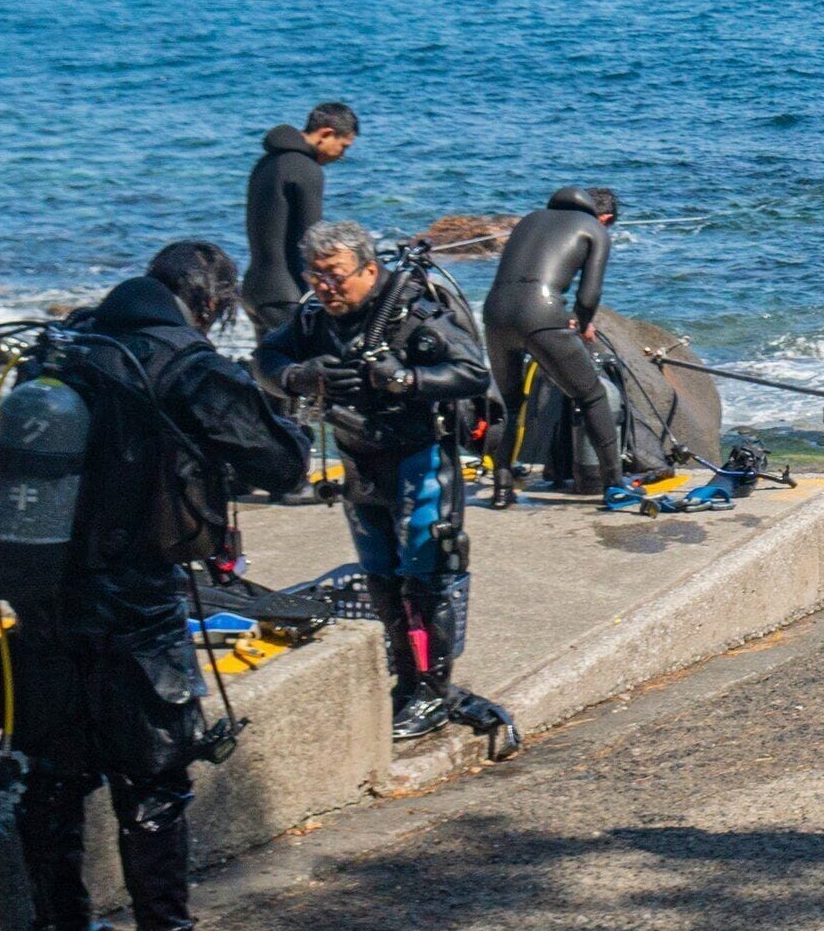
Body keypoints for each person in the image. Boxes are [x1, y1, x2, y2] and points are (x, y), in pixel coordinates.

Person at [14, 239, 308, 931]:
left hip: (39, 586)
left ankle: (59, 925)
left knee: (53, 767)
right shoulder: (183, 363)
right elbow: (281, 462)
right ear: (209, 301)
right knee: (152, 771)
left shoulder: (64, 347)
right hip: (131, 595)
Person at [257, 219, 492, 741]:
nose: (325, 287)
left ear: (368, 269)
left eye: (336, 276)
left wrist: (409, 380)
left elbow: (474, 373)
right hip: (359, 461)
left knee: (427, 574)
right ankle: (406, 682)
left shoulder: (412, 312)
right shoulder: (314, 319)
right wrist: (298, 377)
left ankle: (434, 690)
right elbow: (265, 359)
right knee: (382, 579)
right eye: (315, 276)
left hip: (421, 459)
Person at [482, 185, 634, 510]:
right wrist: (580, 322)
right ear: (605, 218)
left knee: (510, 407)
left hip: (495, 312)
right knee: (591, 395)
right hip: (542, 312)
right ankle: (614, 484)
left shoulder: (529, 220)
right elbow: (589, 294)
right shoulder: (594, 229)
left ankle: (501, 487)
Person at [241, 103, 357, 341]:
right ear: (326, 134)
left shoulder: (266, 163)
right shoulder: (306, 169)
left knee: (269, 372)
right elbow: (313, 239)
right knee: (308, 367)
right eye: (343, 147)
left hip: (253, 289)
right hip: (286, 293)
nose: (342, 156)